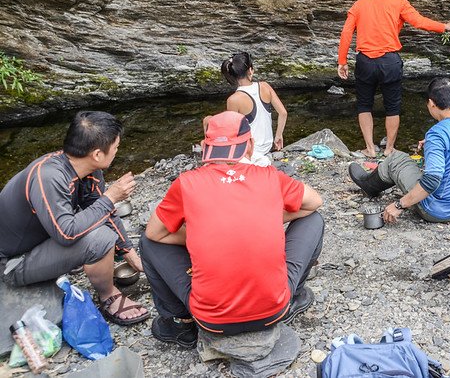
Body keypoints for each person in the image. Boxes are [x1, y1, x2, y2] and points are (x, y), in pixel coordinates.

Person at [140, 111, 324, 348]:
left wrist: (200, 233)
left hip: (212, 321)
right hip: (274, 311)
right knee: (314, 220)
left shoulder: (187, 183)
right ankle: (294, 296)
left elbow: (154, 234)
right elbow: (314, 202)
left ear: (206, 147)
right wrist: (266, 218)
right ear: (249, 145)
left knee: (147, 244)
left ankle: (181, 324)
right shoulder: (269, 177)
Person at [0, 111, 149, 326]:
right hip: (11, 263)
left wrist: (131, 256)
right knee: (101, 238)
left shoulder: (87, 168)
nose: (117, 151)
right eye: (116, 147)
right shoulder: (49, 176)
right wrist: (111, 197)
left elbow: (104, 211)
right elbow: (66, 234)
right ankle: (109, 296)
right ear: (97, 154)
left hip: (40, 242)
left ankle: (80, 264)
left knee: (98, 218)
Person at [337, 0, 450, 158]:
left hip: (365, 61)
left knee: (364, 104)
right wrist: (445, 26)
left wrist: (342, 61)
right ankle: (389, 149)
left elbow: (346, 33)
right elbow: (419, 21)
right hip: (389, 61)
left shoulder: (359, 4)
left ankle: (370, 149)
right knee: (393, 105)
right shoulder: (399, 2)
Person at [348, 78, 450, 224]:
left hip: (437, 211)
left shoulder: (437, 134)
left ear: (431, 103)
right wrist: (443, 145)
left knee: (396, 159)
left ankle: (368, 185)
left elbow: (432, 180)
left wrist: (399, 204)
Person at [220, 52, 288, 166]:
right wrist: (278, 136)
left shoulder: (233, 100)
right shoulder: (265, 86)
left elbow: (232, 132)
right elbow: (283, 113)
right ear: (250, 70)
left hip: (251, 152)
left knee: (209, 120)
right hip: (267, 146)